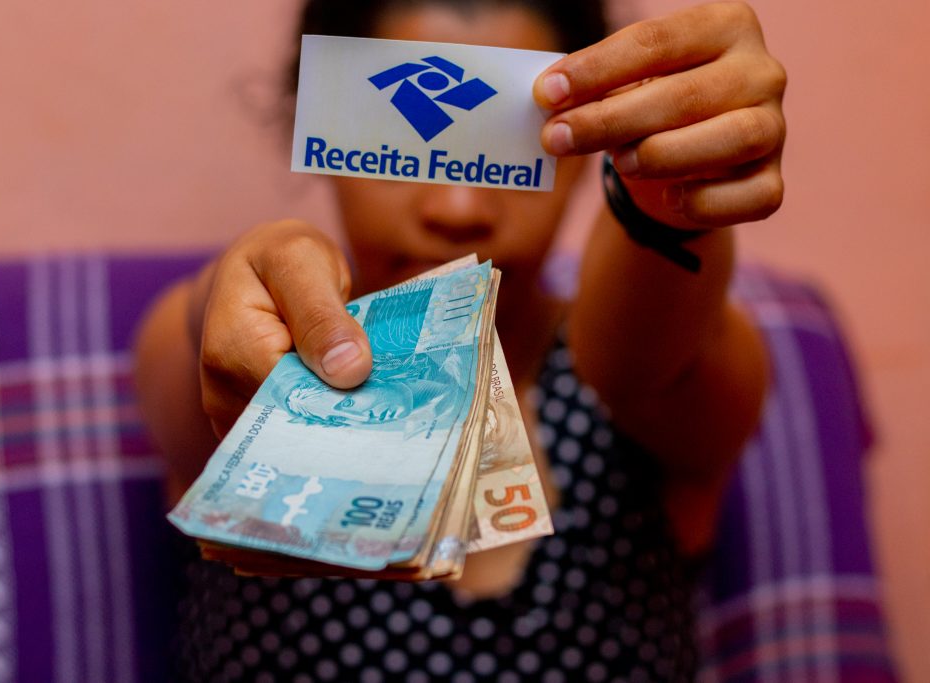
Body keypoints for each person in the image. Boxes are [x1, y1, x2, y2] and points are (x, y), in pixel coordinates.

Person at [134, 0, 785, 679]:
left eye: (510, 147)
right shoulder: (249, 377)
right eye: (404, 137)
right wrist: (245, 275)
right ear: (317, 120)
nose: (457, 207)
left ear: (584, 150)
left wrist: (672, 190)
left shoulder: (647, 376)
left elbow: (649, 358)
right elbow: (204, 348)